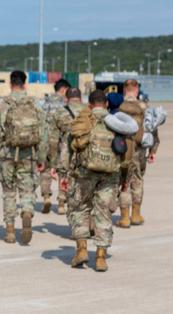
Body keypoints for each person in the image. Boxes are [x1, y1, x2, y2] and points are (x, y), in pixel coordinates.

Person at [64, 89, 123, 272]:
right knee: (103, 213)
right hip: (110, 176)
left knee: (79, 208)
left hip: (84, 174)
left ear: (90, 104)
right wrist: (125, 179)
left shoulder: (83, 120)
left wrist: (63, 173)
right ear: (106, 104)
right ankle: (100, 257)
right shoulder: (117, 123)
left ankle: (81, 249)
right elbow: (125, 151)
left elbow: (69, 149)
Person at [0, 71, 47, 244]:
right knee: (27, 190)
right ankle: (27, 212)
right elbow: (43, 133)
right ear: (25, 83)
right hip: (29, 155)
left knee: (9, 192)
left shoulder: (1, 104)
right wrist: (42, 158)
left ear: (10, 83)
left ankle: (10, 231)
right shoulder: (36, 104)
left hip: (7, 155)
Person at [116, 79, 148, 227]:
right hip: (140, 151)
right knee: (138, 181)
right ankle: (136, 214)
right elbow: (151, 130)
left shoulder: (119, 107)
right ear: (136, 90)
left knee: (124, 183)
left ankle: (124, 217)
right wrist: (153, 150)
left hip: (123, 150)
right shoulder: (143, 107)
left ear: (124, 90)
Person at [40, 79, 71, 214]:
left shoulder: (44, 104)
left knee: (45, 170)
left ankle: (46, 197)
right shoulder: (64, 105)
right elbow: (67, 126)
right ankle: (61, 203)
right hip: (61, 143)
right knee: (63, 172)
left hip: (46, 142)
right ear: (64, 89)